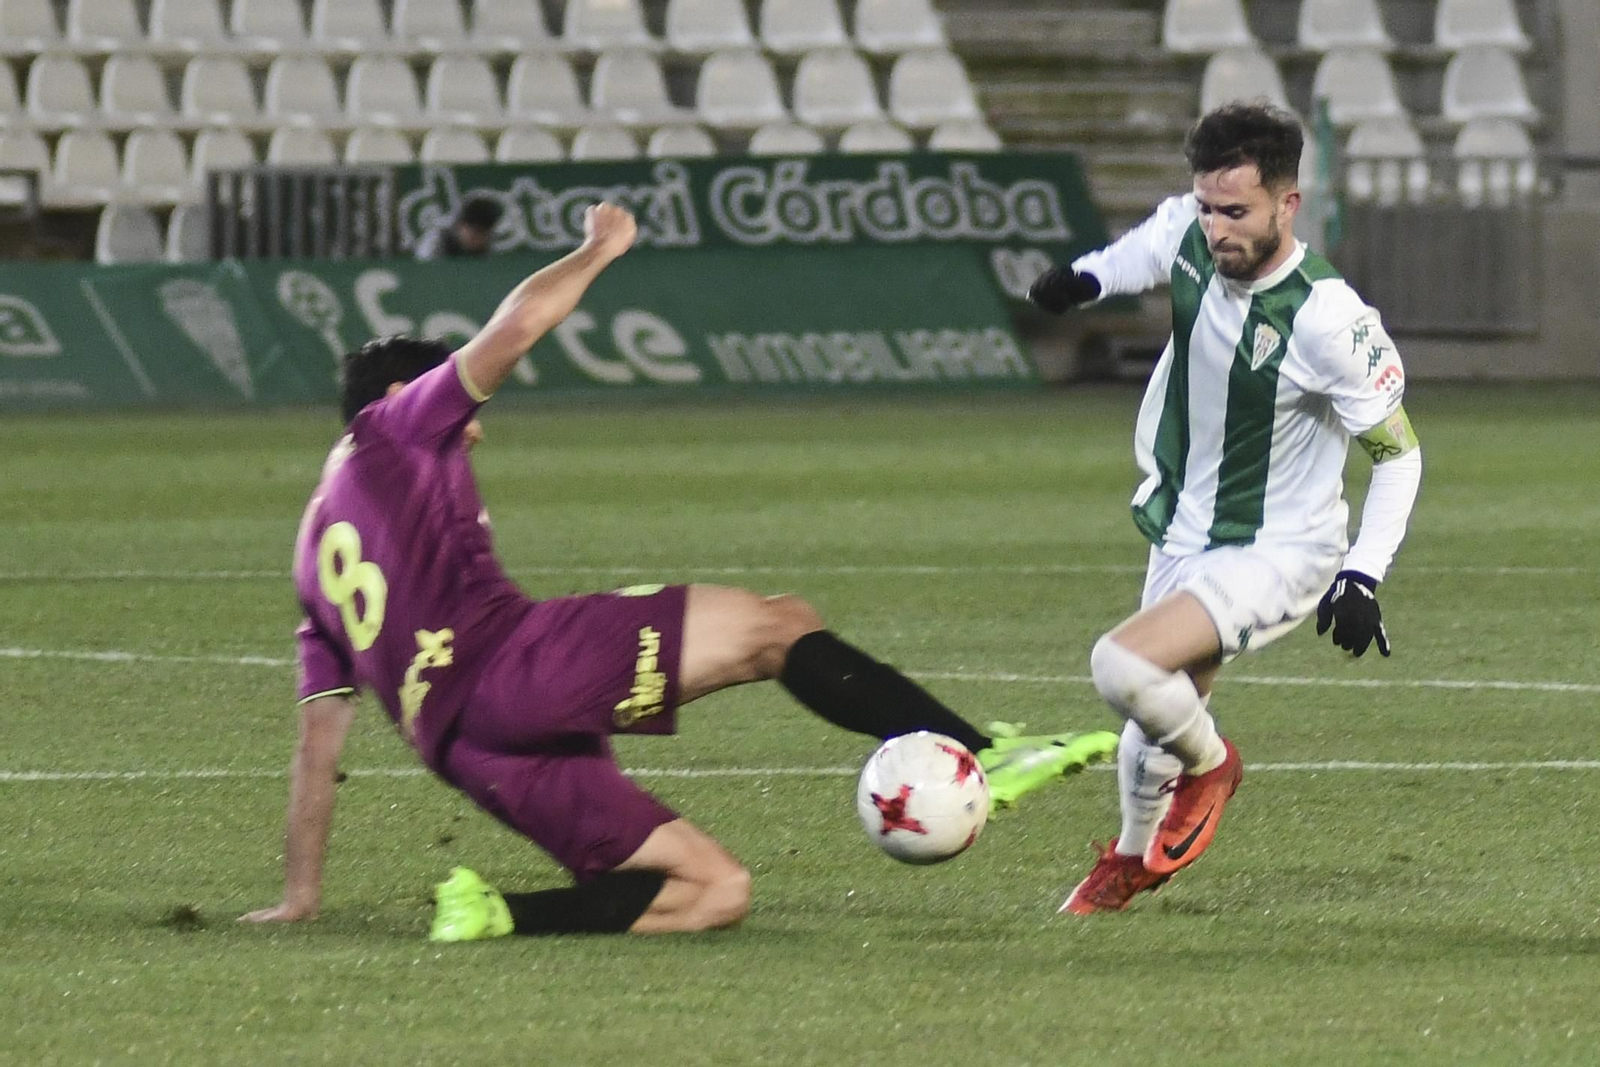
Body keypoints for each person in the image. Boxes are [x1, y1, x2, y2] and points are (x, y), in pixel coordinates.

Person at [241, 202, 1117, 941]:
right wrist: (600, 249)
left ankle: (493, 914)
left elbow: (317, 750)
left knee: (714, 890)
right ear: (398, 398)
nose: (473, 426)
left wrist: (301, 895)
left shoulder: (312, 556)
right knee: (779, 625)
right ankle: (989, 753)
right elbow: (513, 331)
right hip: (515, 664)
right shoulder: (395, 430)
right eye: (454, 404)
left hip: (472, 755)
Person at [1027, 103, 1423, 914]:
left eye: (1236, 211)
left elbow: (1399, 454)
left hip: (1282, 547)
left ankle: (1216, 768)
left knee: (1123, 664)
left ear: (1289, 204)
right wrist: (1084, 279)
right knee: (1154, 719)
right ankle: (1130, 866)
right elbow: (1150, 243)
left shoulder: (1332, 322)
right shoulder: (1194, 230)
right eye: (1208, 206)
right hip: (1186, 526)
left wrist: (1363, 573)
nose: (1216, 228)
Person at [413, 193, 504, 261]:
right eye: (474, 232)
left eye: (483, 233)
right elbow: (422, 270)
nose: (477, 238)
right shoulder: (436, 242)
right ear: (460, 225)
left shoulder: (489, 248)